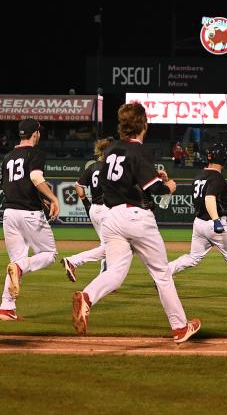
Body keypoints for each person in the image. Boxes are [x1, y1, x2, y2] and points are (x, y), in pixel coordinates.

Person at [71, 102, 200, 343]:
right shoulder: (139, 151)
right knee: (161, 274)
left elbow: (122, 182)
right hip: (136, 217)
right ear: (143, 125)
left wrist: (152, 179)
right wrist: (169, 185)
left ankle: (88, 296)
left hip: (111, 217)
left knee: (116, 271)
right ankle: (180, 327)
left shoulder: (111, 152)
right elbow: (156, 190)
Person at [168, 143, 227, 301]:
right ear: (222, 158)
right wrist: (216, 220)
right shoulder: (217, 177)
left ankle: (165, 272)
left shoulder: (199, 175)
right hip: (214, 223)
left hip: (199, 222)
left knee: (193, 257)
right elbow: (209, 198)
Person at [0, 119, 59, 321]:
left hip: (9, 213)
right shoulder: (35, 153)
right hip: (29, 214)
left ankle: (6, 307)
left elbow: (11, 185)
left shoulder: (8, 157)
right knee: (49, 253)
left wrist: (39, 197)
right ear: (35, 134)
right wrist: (52, 197)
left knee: (17, 259)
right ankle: (19, 268)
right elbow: (35, 177)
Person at [60, 137, 114, 282]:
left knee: (108, 245)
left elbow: (78, 186)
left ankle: (105, 277)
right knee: (112, 246)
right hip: (107, 210)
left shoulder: (92, 167)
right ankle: (73, 261)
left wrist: (86, 203)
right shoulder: (111, 167)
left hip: (94, 210)